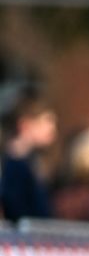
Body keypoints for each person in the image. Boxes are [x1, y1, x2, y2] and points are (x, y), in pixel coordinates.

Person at [0, 90, 57, 222]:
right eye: (46, 121)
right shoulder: (14, 165)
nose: (52, 129)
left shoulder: (31, 160)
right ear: (24, 126)